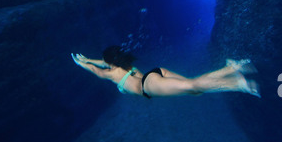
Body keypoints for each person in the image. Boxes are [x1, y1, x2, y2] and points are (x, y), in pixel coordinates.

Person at [71, 46, 261, 99]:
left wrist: (83, 64)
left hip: (150, 85)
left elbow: (98, 70)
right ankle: (234, 76)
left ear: (109, 63)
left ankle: (235, 74)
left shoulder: (113, 74)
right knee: (197, 90)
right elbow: (104, 62)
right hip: (157, 73)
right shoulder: (123, 66)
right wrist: (87, 58)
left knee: (194, 85)